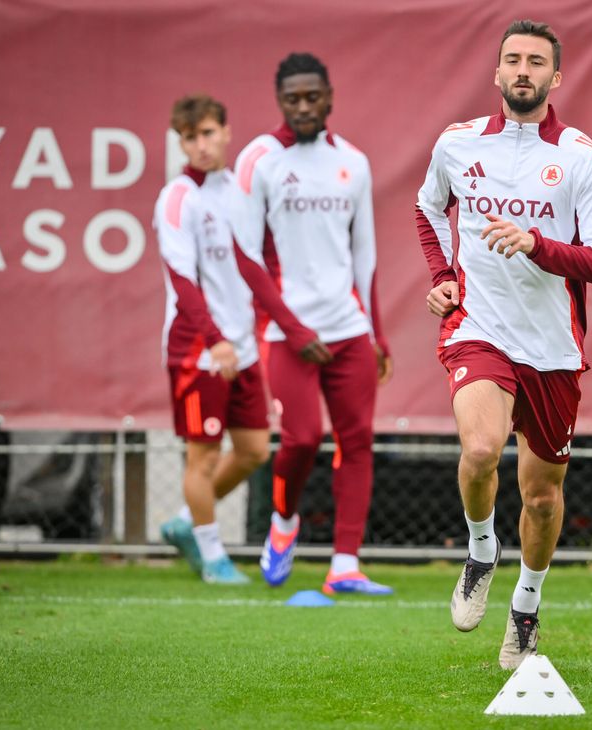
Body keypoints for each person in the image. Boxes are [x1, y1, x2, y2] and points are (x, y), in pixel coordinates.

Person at [416, 20, 592, 669]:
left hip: (554, 347)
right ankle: (481, 550)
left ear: (556, 76)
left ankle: (526, 607)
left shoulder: (581, 155)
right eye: (513, 59)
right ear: (498, 73)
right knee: (480, 448)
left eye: (537, 61)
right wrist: (445, 278)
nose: (523, 70)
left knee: (540, 496)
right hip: (480, 328)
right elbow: (428, 211)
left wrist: (539, 245)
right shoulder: (456, 144)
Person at [154, 94, 330, 584]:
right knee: (202, 456)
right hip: (200, 350)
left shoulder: (241, 190)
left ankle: (186, 523)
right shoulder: (176, 198)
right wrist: (215, 340)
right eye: (190, 137)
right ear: (181, 142)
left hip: (245, 346)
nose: (201, 145)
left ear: (227, 131)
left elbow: (263, 264)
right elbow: (182, 280)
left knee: (253, 450)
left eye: (209, 133)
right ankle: (212, 557)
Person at [235, 52, 394, 596]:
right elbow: (246, 256)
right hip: (288, 334)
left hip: (349, 331)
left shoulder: (354, 160)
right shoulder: (259, 159)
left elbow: (365, 255)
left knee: (358, 442)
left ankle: (345, 564)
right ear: (280, 100)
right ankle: (283, 525)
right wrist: (294, 329)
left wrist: (376, 333)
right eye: (292, 98)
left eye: (312, 96)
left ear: (329, 96)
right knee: (301, 441)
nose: (303, 106)